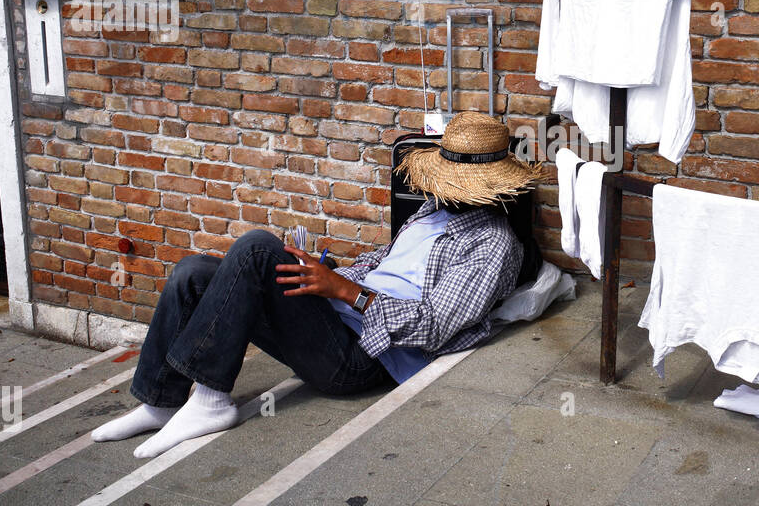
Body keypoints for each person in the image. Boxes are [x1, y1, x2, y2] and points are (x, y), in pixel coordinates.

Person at [90, 112, 546, 458]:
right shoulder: (432, 213)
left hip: (364, 358)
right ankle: (161, 400)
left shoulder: (494, 245)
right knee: (193, 272)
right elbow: (379, 264)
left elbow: (433, 327)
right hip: (336, 320)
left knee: (255, 249)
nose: (441, 188)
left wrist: (345, 292)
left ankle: (210, 401)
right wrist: (324, 273)